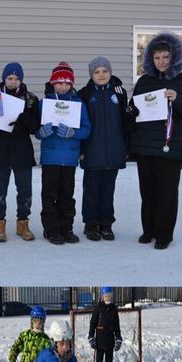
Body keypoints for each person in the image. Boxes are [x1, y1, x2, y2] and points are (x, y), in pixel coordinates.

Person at [129, 31, 182, 250]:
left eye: (165, 56)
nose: (161, 61)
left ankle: (164, 235)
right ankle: (149, 231)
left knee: (167, 194)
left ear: (174, 57)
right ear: (150, 59)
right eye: (156, 57)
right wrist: (130, 109)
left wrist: (178, 99)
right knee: (148, 193)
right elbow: (134, 109)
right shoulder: (145, 81)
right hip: (145, 147)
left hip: (169, 147)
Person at [77, 56, 133, 241]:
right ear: (91, 75)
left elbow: (126, 122)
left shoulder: (119, 92)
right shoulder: (84, 94)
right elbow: (79, 123)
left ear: (110, 72)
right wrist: (81, 149)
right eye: (97, 72)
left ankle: (106, 224)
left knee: (108, 190)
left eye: (105, 71)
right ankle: (91, 223)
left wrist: (127, 147)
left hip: (115, 149)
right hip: (92, 150)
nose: (101, 75)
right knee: (92, 189)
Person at [36, 61, 91, 245]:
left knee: (67, 195)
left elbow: (86, 130)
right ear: (53, 83)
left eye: (67, 83)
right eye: (59, 82)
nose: (63, 86)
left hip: (69, 158)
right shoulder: (44, 104)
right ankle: (51, 229)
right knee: (49, 194)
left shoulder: (78, 104)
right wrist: (40, 132)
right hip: (51, 157)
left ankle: (66, 227)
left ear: (72, 85)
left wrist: (73, 133)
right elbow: (36, 128)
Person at [0, 62, 40, 242]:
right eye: (10, 78)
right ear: (4, 78)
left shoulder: (30, 98)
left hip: (22, 150)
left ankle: (23, 223)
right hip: (0, 149)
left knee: (24, 190)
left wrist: (24, 117)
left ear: (21, 80)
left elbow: (35, 127)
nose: (13, 81)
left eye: (17, 78)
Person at [89, 287, 122, 362]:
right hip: (99, 340)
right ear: (102, 296)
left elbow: (117, 325)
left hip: (110, 341)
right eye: (106, 295)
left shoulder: (114, 309)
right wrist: (91, 337)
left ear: (112, 296)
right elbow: (92, 324)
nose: (108, 297)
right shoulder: (98, 308)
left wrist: (118, 338)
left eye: (109, 295)